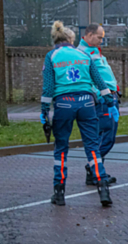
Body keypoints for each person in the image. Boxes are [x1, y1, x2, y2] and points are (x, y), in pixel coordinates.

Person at [40, 21, 115, 207]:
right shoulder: (83, 54)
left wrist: (44, 112)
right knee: (92, 147)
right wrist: (109, 101)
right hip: (87, 103)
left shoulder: (52, 56)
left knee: (61, 149)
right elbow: (98, 81)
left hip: (64, 104)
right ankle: (103, 188)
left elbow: (48, 87)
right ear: (71, 39)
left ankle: (59, 192)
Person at [77, 23, 120, 186]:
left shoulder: (94, 52)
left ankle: (95, 171)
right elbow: (85, 79)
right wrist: (99, 95)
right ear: (88, 35)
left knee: (106, 136)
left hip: (110, 97)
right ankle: (93, 169)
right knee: (107, 137)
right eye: (99, 37)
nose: (102, 41)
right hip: (103, 100)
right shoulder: (82, 54)